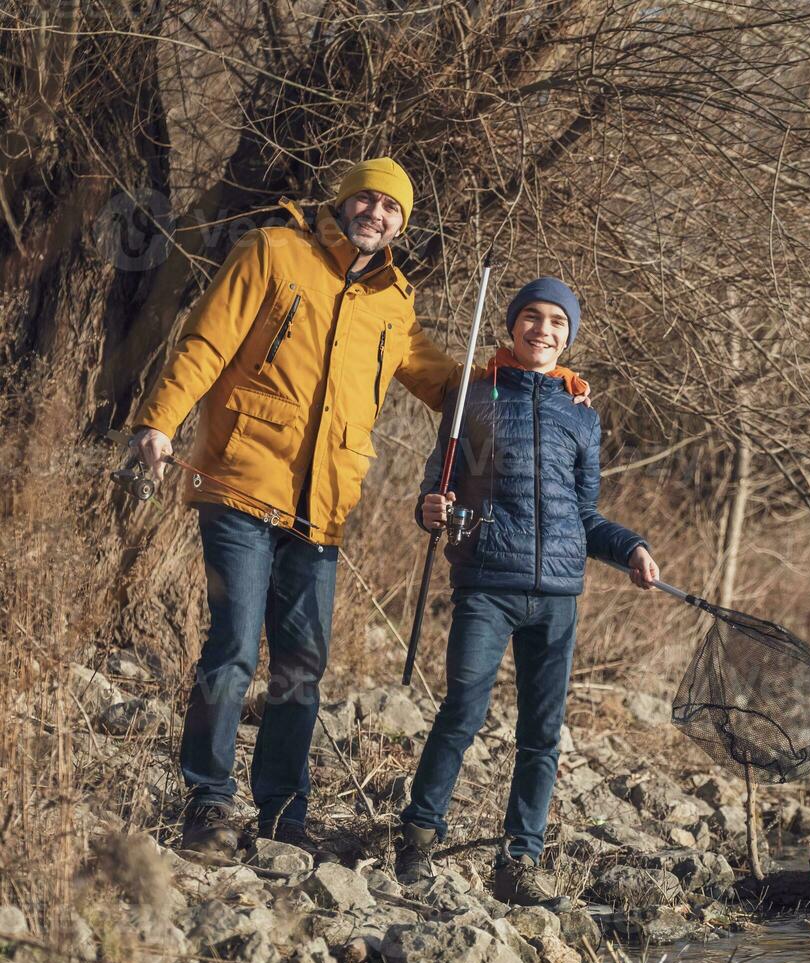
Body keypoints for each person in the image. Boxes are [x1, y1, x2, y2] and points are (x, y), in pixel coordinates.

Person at [126, 159, 579, 857]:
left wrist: (539, 383)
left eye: (392, 208)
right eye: (367, 198)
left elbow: (445, 383)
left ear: (402, 224)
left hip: (323, 508)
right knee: (235, 649)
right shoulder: (274, 252)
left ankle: (282, 812)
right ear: (343, 201)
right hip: (242, 482)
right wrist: (159, 422)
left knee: (302, 665)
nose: (377, 212)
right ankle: (209, 804)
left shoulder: (393, 300)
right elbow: (206, 342)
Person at [393, 276, 657, 908]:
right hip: (486, 585)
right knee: (463, 710)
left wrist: (632, 549)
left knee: (543, 732)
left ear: (568, 336)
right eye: (532, 318)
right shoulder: (471, 401)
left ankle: (520, 859)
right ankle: (418, 838)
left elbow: (586, 518)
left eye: (557, 323)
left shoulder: (582, 418)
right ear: (512, 326)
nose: (543, 330)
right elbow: (437, 491)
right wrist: (432, 509)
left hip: (560, 596)